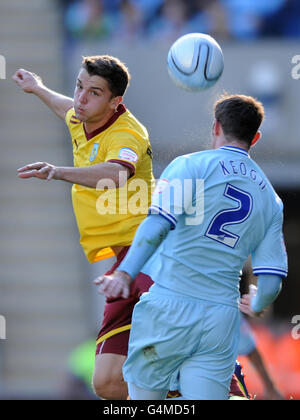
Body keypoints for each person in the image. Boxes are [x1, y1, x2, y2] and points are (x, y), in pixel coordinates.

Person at [95, 94, 288, 400]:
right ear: (256, 137)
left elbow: (157, 225)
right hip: (220, 318)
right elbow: (272, 280)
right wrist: (259, 300)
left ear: (216, 126)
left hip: (170, 306)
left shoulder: (189, 166)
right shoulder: (270, 198)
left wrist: (125, 273)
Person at [12, 55, 155, 400]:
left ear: (115, 102)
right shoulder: (81, 116)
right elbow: (65, 108)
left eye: (93, 93)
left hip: (154, 256)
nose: (80, 98)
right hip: (124, 264)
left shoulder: (128, 134)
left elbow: (118, 172)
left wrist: (58, 171)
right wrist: (38, 88)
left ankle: (217, 387)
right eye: (79, 86)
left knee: (171, 353)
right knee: (106, 383)